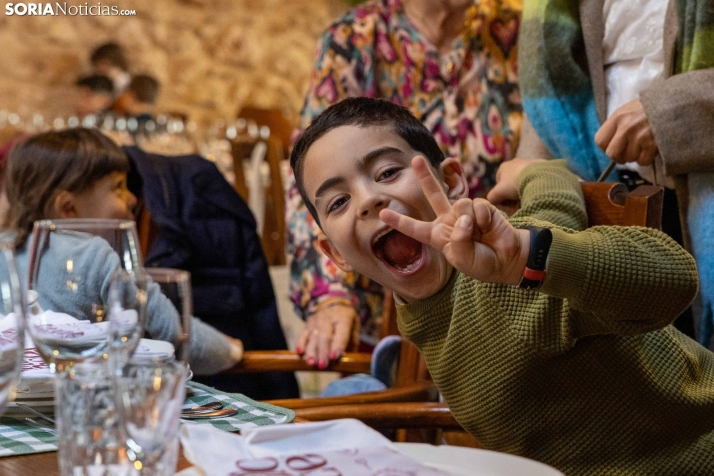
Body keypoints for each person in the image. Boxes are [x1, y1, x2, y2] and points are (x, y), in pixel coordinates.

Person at [289, 97, 714, 475]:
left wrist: (528, 256)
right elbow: (554, 204)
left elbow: (674, 278)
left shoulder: (506, 274)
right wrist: (537, 173)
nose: (368, 200)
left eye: (387, 171)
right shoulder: (419, 306)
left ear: (451, 182)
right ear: (335, 254)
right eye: (339, 202)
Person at [287, 0, 523, 367]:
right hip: (391, 297)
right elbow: (315, 178)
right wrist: (329, 295)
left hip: (502, 278)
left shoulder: (519, 32)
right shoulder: (355, 38)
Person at [509, 0, 714, 346]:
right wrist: (530, 171)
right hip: (609, 217)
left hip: (700, 211)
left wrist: (672, 112)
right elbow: (555, 84)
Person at [2, 128, 244, 375]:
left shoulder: (5, 248)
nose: (132, 199)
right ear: (68, 208)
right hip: (77, 393)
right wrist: (230, 350)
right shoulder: (93, 254)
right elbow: (172, 329)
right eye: (117, 187)